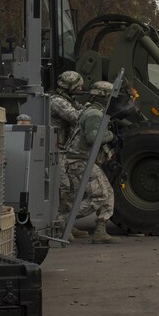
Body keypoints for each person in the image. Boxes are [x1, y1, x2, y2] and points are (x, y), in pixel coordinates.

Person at [60, 81, 119, 244]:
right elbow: (94, 137)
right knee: (99, 195)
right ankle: (62, 220)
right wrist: (111, 136)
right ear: (103, 97)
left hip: (84, 160)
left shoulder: (94, 111)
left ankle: (101, 230)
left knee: (107, 192)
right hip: (80, 161)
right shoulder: (94, 114)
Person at [50, 70, 85, 149]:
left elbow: (81, 108)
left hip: (63, 145)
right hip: (57, 147)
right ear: (70, 86)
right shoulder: (57, 101)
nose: (80, 89)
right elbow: (76, 117)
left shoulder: (69, 99)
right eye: (78, 86)